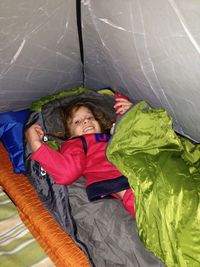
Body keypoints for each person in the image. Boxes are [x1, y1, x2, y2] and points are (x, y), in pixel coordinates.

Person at [25, 94, 135, 216]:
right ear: (70, 134)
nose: (86, 121)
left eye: (89, 117)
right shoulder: (77, 142)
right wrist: (35, 144)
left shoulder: (111, 135)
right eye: (77, 121)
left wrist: (130, 113)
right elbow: (66, 172)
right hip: (129, 187)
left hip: (145, 167)